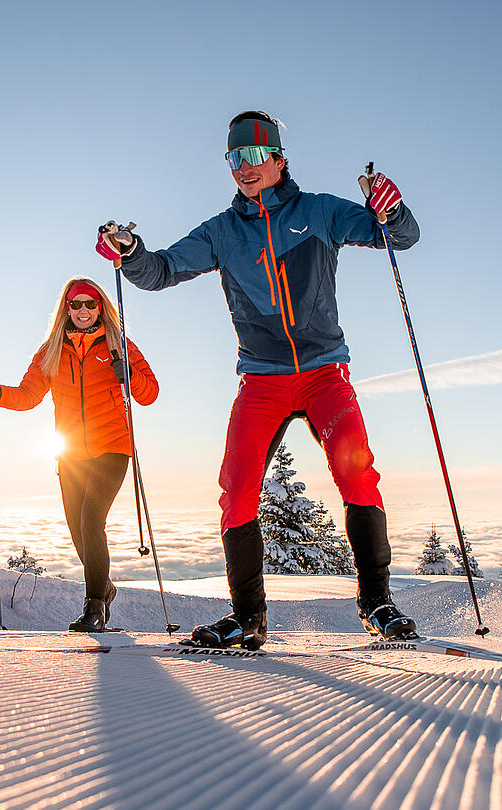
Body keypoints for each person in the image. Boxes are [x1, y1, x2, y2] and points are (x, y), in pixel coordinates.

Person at [96, 110, 420, 649]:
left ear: (277, 158)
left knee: (358, 476)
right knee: (237, 491)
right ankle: (248, 618)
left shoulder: (318, 212)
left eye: (252, 155)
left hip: (324, 374)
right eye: (233, 158)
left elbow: (399, 237)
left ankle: (377, 604)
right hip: (263, 380)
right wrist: (130, 253)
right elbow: (160, 270)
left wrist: (392, 208)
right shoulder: (221, 233)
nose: (243, 167)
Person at [0, 277, 159, 632]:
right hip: (70, 452)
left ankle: (95, 608)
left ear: (100, 307)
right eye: (75, 304)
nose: (82, 310)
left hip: (112, 447)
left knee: (92, 519)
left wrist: (129, 374)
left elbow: (149, 392)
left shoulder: (118, 345)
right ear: (66, 308)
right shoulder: (51, 351)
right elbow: (29, 395)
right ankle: (104, 588)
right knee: (79, 529)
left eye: (89, 303)